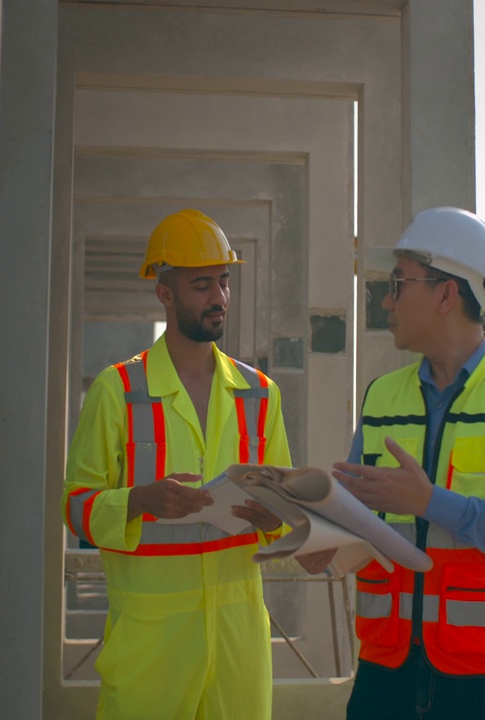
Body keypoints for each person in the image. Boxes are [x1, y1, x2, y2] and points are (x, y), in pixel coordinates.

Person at [313, 207, 485, 719]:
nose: (387, 301)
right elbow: (361, 523)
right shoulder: (381, 397)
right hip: (386, 673)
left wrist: (431, 502)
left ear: (446, 294)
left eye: (398, 284)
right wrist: (311, 537)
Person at [62, 209, 291, 719]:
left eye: (225, 281)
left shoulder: (260, 394)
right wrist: (140, 500)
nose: (220, 298)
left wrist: (275, 519)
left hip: (238, 641)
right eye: (202, 285)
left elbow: (286, 509)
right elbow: (75, 507)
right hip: (152, 644)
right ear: (165, 294)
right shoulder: (117, 390)